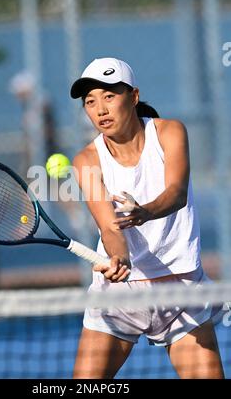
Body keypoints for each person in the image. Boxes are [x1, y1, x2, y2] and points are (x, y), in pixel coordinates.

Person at [70, 57, 225, 379]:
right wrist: (119, 258)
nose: (100, 109)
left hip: (183, 292)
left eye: (109, 96)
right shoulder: (86, 160)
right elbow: (109, 226)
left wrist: (144, 212)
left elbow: (177, 193)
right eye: (90, 101)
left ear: (134, 96)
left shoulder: (170, 132)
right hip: (121, 299)